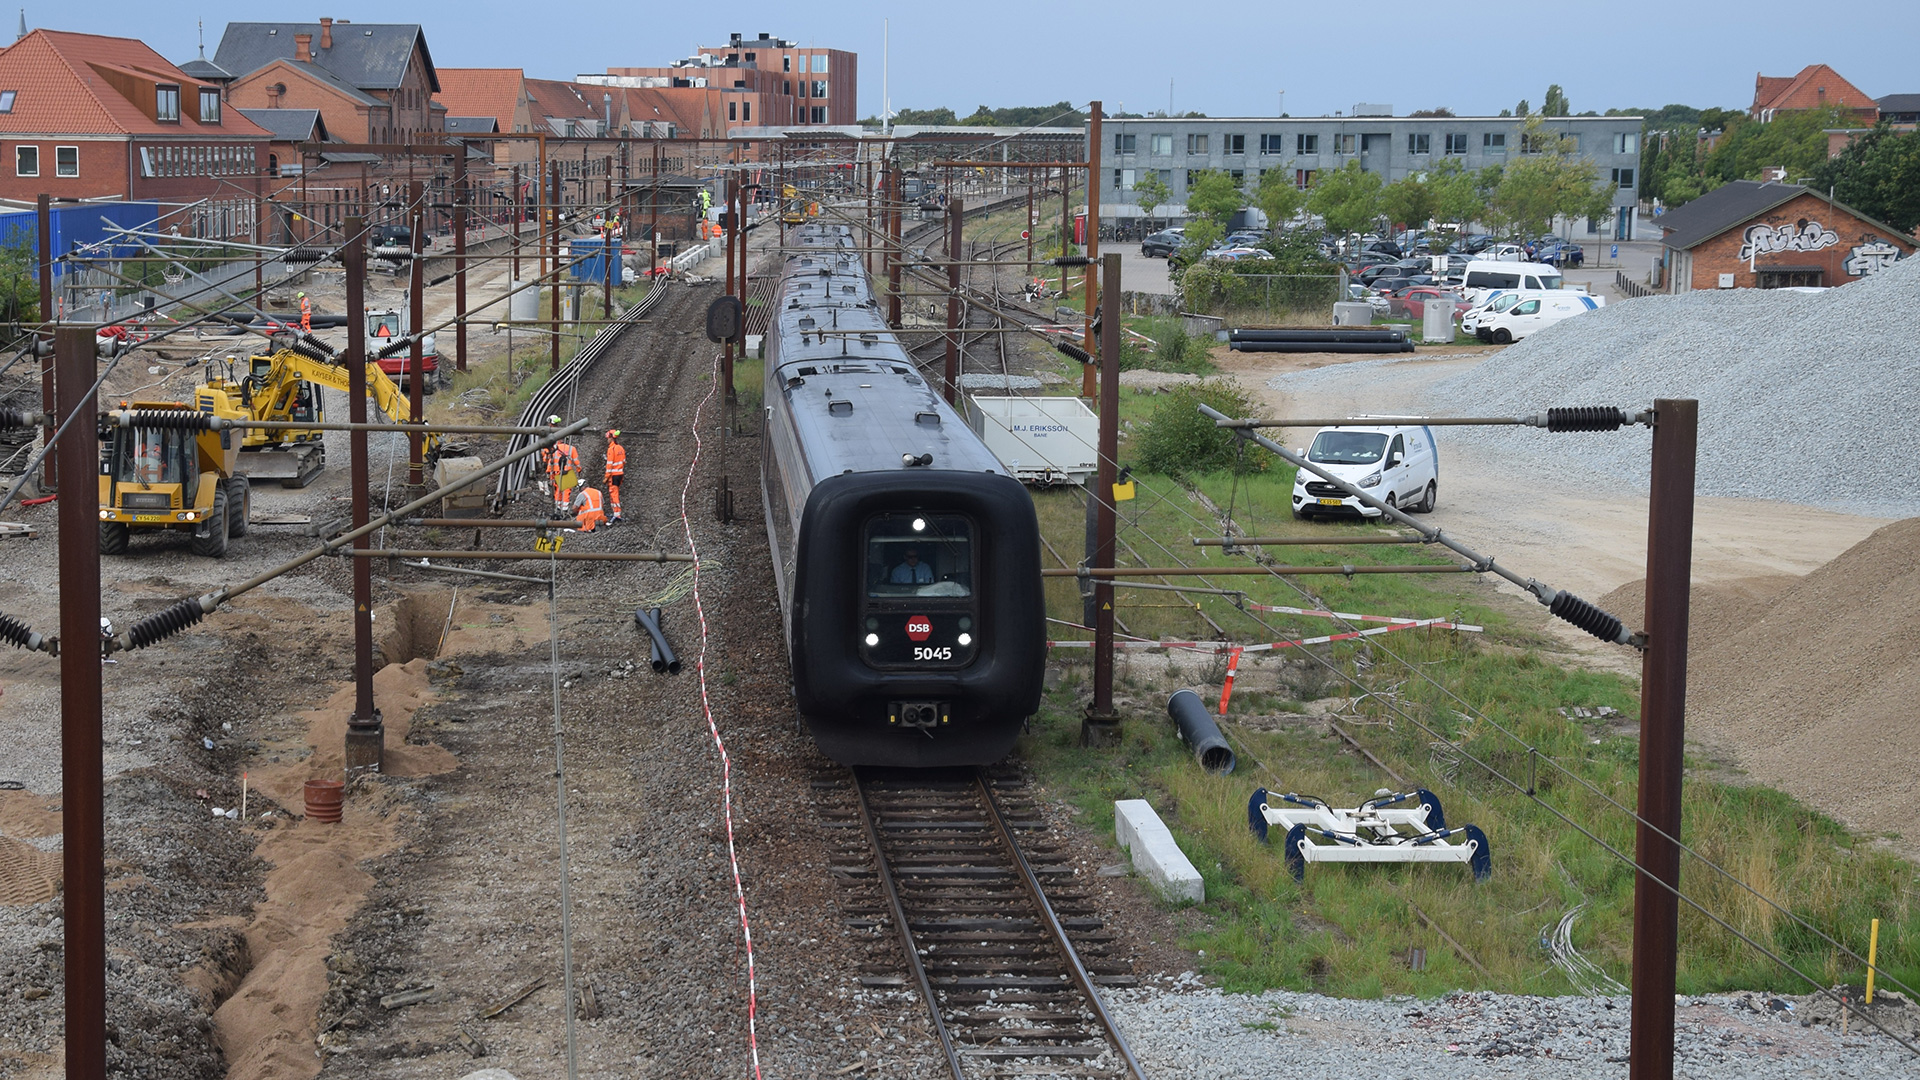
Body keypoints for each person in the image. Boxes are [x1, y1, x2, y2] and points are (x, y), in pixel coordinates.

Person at [602, 429, 625, 523]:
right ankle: (616, 513)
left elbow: (609, 465)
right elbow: (623, 461)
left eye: (608, 438)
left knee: (613, 495)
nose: (607, 440)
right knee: (615, 493)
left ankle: (617, 514)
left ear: (611, 438)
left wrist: (606, 477)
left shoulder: (611, 449)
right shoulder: (621, 448)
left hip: (613, 476)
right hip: (620, 474)